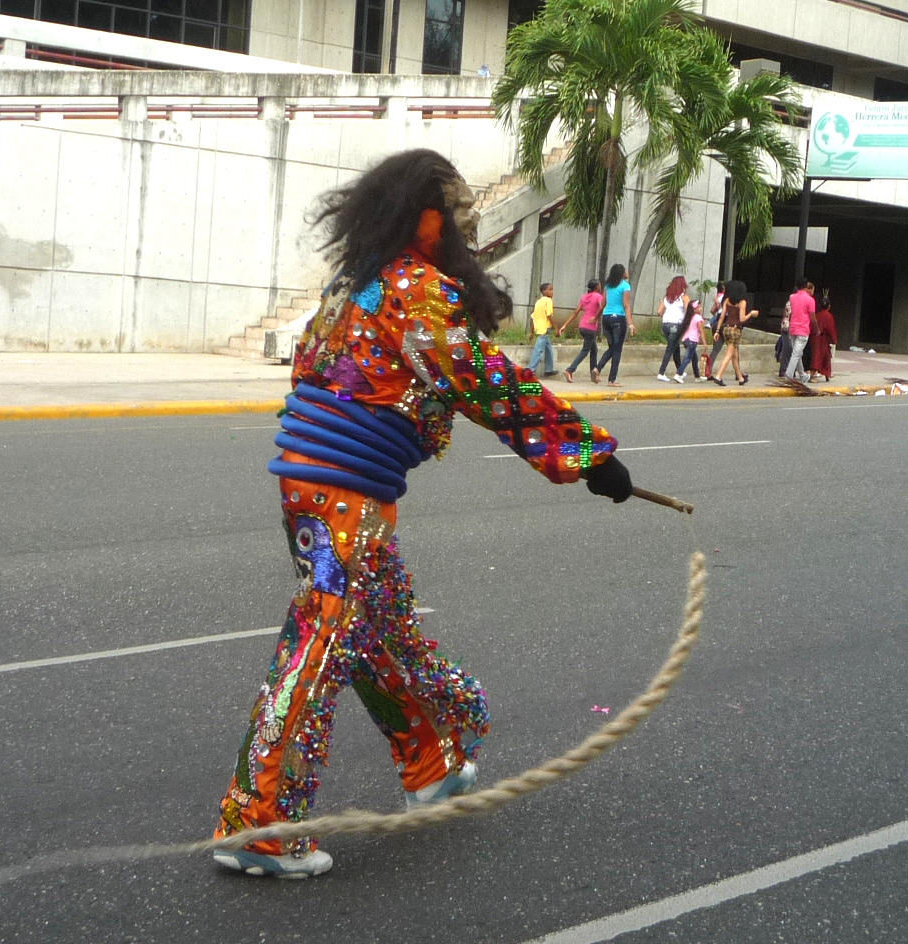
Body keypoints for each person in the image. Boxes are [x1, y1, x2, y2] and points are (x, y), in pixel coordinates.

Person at [212, 149, 631, 878]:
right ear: (421, 215)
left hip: (319, 491)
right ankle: (259, 823)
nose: (469, 222)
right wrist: (586, 455)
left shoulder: (357, 285)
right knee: (321, 642)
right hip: (342, 494)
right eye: (458, 209)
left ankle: (431, 762)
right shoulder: (412, 289)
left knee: (382, 633)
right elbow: (484, 379)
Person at [707, 280, 758, 385]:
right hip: (735, 330)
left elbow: (721, 317)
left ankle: (740, 378)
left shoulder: (727, 301)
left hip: (726, 328)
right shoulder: (742, 302)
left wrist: (717, 331)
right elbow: (742, 318)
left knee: (734, 355)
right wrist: (751, 314)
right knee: (729, 354)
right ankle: (719, 376)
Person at [560, 278, 604, 383]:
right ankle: (569, 370)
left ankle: (594, 373)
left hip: (582, 326)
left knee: (594, 350)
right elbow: (603, 307)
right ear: (597, 287)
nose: (601, 286)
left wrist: (565, 325)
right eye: (600, 285)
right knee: (585, 351)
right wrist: (596, 317)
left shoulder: (584, 297)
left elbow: (575, 312)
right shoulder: (598, 296)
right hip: (590, 327)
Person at [598, 263, 632, 385]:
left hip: (606, 318)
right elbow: (626, 305)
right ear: (622, 273)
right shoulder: (625, 286)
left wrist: (596, 317)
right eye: (625, 270)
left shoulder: (608, 286)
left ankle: (598, 368)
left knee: (612, 348)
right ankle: (612, 380)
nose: (627, 272)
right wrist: (631, 323)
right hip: (619, 318)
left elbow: (602, 304)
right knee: (617, 350)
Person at [654, 275, 690, 381]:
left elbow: (659, 312)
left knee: (675, 347)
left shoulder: (667, 298)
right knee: (670, 348)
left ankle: (680, 371)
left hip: (665, 325)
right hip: (677, 324)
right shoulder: (684, 297)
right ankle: (661, 372)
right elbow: (688, 311)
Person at [782, 279, 816, 380]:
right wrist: (817, 328)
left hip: (792, 329)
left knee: (797, 353)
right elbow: (812, 317)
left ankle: (802, 375)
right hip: (803, 330)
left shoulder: (792, 297)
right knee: (796, 354)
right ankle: (788, 375)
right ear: (806, 286)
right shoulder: (810, 300)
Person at [525, 283, 557, 376]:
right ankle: (531, 370)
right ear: (544, 291)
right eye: (550, 289)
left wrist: (531, 332)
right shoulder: (548, 301)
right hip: (544, 329)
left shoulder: (538, 302)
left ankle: (548, 369)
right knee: (538, 350)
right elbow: (549, 315)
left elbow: (533, 317)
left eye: (552, 289)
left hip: (539, 328)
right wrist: (556, 328)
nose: (552, 291)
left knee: (548, 349)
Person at [808, 295, 836, 383]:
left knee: (815, 356)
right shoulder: (828, 316)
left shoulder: (817, 315)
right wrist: (834, 339)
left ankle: (821, 374)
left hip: (814, 338)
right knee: (822, 357)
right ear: (829, 306)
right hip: (823, 339)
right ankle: (822, 374)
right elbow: (831, 329)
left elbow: (811, 326)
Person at [676, 297, 702, 384]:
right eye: (699, 307)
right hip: (692, 341)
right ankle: (678, 374)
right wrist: (705, 342)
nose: (701, 308)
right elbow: (701, 330)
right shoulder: (697, 317)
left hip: (686, 340)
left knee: (694, 359)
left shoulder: (690, 316)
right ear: (695, 309)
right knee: (687, 359)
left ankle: (697, 376)